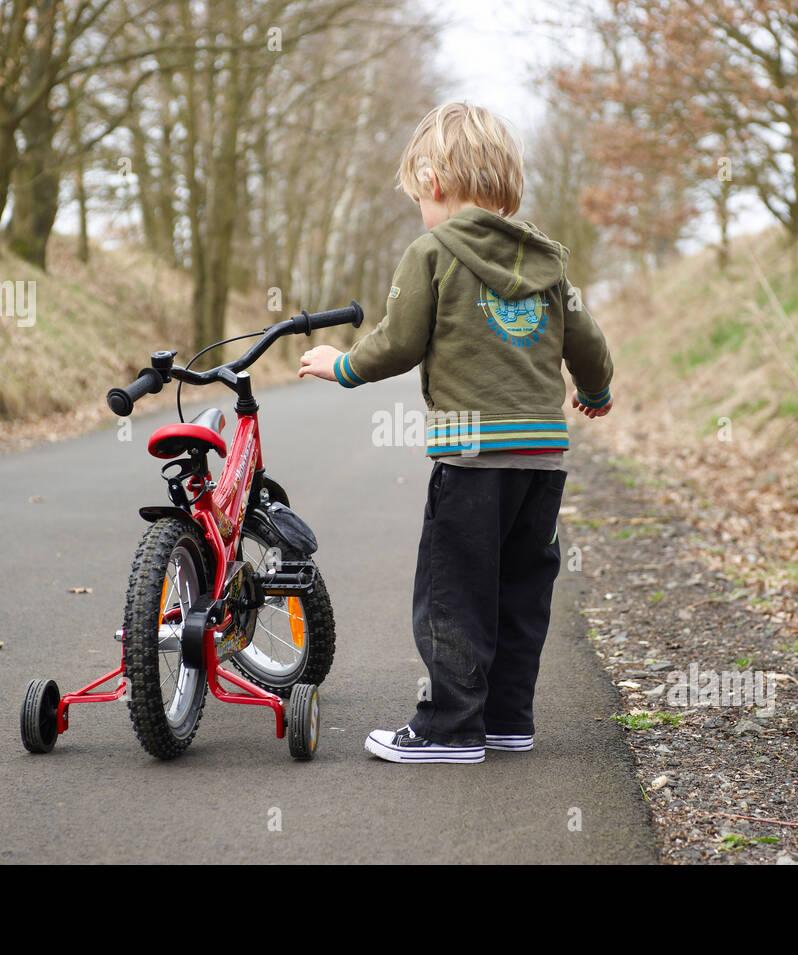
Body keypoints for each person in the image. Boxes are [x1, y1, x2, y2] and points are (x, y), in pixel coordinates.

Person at [298, 102, 614, 763]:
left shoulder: (434, 251)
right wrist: (594, 392)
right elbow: (587, 342)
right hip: (543, 460)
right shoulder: (549, 261)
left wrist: (343, 364)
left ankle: (449, 727)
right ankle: (506, 719)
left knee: (454, 592)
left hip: (471, 458)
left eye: (418, 195)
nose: (420, 208)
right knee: (522, 589)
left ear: (433, 180)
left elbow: (400, 339)